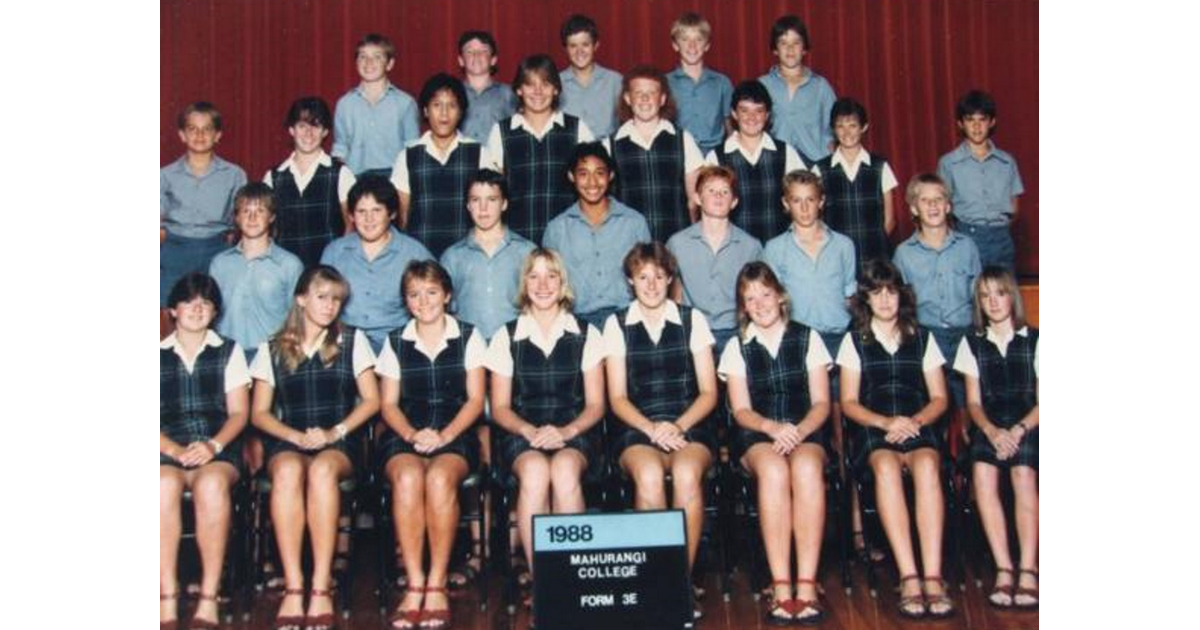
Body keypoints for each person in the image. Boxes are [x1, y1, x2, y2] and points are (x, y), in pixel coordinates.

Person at [249, 266, 381, 630]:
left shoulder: (353, 341)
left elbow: (372, 401)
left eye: (336, 299)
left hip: (338, 442)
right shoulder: (273, 346)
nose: (330, 306)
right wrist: (294, 436)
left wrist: (333, 431)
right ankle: (294, 587)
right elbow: (259, 413)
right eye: (322, 297)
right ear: (301, 299)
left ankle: (321, 586)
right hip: (290, 440)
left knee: (322, 470)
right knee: (290, 470)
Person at [603, 243, 717, 616]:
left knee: (686, 473)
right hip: (638, 426)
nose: (651, 284)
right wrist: (653, 429)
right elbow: (617, 397)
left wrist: (678, 426)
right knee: (650, 474)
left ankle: (679, 583)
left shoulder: (692, 320)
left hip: (689, 423)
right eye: (642, 277)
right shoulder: (615, 324)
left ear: (670, 279)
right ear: (630, 281)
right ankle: (654, 579)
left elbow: (708, 392)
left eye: (658, 276)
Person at [836, 259, 953, 620]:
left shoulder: (923, 337)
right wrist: (886, 423)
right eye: (876, 293)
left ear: (900, 295)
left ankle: (933, 576)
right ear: (864, 299)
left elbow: (940, 398)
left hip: (916, 424)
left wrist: (914, 421)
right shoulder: (854, 340)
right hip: (875, 427)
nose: (885, 300)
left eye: (890, 291)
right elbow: (850, 403)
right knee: (886, 466)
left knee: (928, 465)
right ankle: (909, 576)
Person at [485, 248, 607, 594]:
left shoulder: (587, 334)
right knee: (537, 472)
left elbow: (596, 404)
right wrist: (530, 431)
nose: (542, 284)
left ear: (562, 283)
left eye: (551, 275)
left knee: (564, 470)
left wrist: (566, 431)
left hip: (575, 430)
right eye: (534, 276)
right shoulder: (506, 336)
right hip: (522, 433)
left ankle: (572, 579)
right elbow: (501, 407)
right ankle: (545, 585)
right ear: (524, 283)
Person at [718, 262, 831, 625]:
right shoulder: (737, 346)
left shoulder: (807, 338)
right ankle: (781, 584)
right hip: (757, 433)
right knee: (772, 470)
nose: (760, 304)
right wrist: (771, 428)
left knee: (807, 467)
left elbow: (821, 404)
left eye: (765, 294)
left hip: (804, 428)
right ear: (743, 307)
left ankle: (807, 584)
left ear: (780, 296)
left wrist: (796, 431)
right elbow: (740, 410)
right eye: (750, 299)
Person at [376, 261, 488, 629]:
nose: (423, 301)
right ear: (406, 301)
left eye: (431, 292)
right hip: (405, 433)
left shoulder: (470, 336)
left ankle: (437, 581)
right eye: (414, 294)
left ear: (447, 295)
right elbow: (388, 404)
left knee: (440, 478)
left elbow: (474, 401)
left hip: (455, 433)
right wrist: (411, 435)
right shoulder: (394, 342)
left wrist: (445, 436)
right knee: (408, 478)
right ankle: (414, 581)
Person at [160, 272, 250, 630]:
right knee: (160, 486)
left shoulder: (230, 351)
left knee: (211, 486)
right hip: (166, 447)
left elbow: (240, 413)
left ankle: (208, 597)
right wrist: (171, 448)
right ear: (173, 310)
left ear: (215, 312)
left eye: (206, 302)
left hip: (217, 447)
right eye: (189, 301)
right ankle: (167, 594)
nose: (197, 309)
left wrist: (212, 445)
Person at [953, 267, 1038, 609]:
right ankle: (1004, 567)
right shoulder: (971, 343)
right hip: (990, 422)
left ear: (1011, 296)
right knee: (984, 476)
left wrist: (1017, 431)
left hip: (1029, 422)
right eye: (985, 296)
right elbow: (972, 402)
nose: (993, 301)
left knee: (1022, 474)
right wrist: (990, 431)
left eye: (999, 293)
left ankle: (1029, 568)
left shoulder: (1036, 339)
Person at [892, 172, 981, 409]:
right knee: (933, 404)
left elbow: (977, 295)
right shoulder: (904, 253)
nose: (932, 205)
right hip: (927, 336)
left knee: (968, 405)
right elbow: (901, 304)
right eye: (924, 200)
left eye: (938, 199)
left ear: (948, 205)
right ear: (913, 209)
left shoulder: (967, 247)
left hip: (965, 334)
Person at [485, 54, 595, 244]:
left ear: (555, 89)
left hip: (568, 239)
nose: (538, 92)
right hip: (516, 240)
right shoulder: (501, 132)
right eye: (529, 84)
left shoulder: (578, 129)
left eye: (545, 84)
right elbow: (492, 193)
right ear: (519, 89)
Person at [542, 142, 652, 329]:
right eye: (583, 174)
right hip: (576, 323)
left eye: (599, 173)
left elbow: (649, 276)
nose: (592, 182)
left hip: (627, 320)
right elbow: (549, 284)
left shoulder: (634, 222)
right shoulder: (557, 228)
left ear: (610, 176)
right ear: (572, 177)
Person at [320, 176, 434, 351]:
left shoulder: (415, 252)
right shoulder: (334, 252)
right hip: (345, 347)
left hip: (399, 346)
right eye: (361, 211)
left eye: (377, 210)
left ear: (392, 214)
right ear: (351, 215)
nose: (369, 219)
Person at [390, 73, 493, 257]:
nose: (444, 113)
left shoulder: (479, 153)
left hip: (468, 254)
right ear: (426, 111)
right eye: (437, 105)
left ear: (461, 111)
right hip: (420, 255)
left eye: (452, 105)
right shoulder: (407, 156)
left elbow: (490, 210)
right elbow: (402, 216)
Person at [666, 165, 763, 355]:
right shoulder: (676, 243)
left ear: (734, 201)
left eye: (725, 191)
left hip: (736, 334)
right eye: (711, 190)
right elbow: (672, 294)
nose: (718, 196)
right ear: (697, 198)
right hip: (692, 334)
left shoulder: (751, 246)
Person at [161, 101, 248, 308]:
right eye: (192, 129)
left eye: (207, 129)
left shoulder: (234, 174)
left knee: (215, 305)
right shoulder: (165, 175)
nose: (199, 136)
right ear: (182, 134)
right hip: (175, 249)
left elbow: (240, 219)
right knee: (168, 306)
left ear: (218, 135)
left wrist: (228, 240)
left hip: (216, 248)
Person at [604, 65, 705, 241]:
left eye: (652, 93)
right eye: (638, 93)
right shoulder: (610, 144)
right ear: (627, 98)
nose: (644, 98)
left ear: (663, 99)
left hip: (675, 238)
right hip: (629, 240)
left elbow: (694, 201)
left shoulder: (683, 140)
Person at [209, 183, 304, 363]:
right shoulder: (219, 263)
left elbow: (297, 318)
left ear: (272, 216)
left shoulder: (289, 264)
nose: (252, 217)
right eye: (245, 211)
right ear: (236, 218)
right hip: (227, 356)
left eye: (260, 211)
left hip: (273, 357)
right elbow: (212, 314)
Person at [440, 169, 537, 341]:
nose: (483, 208)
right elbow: (445, 310)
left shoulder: (526, 251)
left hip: (515, 344)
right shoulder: (452, 257)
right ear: (468, 205)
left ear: (504, 204)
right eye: (476, 200)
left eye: (492, 200)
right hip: (469, 347)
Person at [708, 80, 809, 244]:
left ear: (767, 115)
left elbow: (803, 200)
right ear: (734, 113)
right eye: (744, 110)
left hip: (777, 247)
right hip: (734, 249)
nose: (751, 118)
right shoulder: (717, 157)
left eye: (759, 111)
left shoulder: (785, 153)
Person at [262, 97, 356, 268]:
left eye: (315, 126)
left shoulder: (341, 173)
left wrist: (337, 265)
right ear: (291, 130)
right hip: (285, 271)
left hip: (328, 271)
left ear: (325, 131)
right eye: (302, 126)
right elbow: (267, 229)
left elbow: (351, 225)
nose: (308, 133)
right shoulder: (273, 177)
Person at [936, 90, 1025, 272]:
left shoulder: (1007, 162)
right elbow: (942, 206)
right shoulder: (949, 163)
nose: (976, 127)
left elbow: (1014, 206)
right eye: (970, 120)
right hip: (966, 235)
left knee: (1003, 293)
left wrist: (997, 228)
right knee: (970, 292)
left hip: (1001, 237)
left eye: (982, 120)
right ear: (960, 124)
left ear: (992, 122)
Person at [815, 97, 897, 274]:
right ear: (833, 130)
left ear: (864, 127)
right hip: (837, 260)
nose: (847, 132)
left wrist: (876, 248)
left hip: (875, 257)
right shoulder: (820, 169)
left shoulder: (880, 166)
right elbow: (817, 219)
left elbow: (889, 220)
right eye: (840, 126)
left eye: (852, 125)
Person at [332, 33, 420, 178]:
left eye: (377, 57)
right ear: (356, 63)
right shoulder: (345, 104)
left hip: (394, 178)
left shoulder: (406, 103)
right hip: (356, 177)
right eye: (362, 56)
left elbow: (412, 148)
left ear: (390, 64)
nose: (369, 62)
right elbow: (340, 148)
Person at [757, 15, 837, 164]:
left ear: (804, 48)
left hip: (814, 163)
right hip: (776, 163)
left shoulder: (820, 86)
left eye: (796, 43)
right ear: (775, 49)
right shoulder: (763, 85)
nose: (790, 49)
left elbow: (834, 129)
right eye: (783, 43)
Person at [665, 12, 734, 155]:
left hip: (714, 155)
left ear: (707, 45)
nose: (692, 46)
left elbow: (730, 125)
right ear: (675, 45)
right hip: (677, 153)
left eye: (699, 39)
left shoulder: (722, 83)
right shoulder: (665, 83)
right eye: (685, 39)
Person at [558, 13, 623, 138]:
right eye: (573, 46)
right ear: (566, 49)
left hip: (607, 154)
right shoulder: (556, 83)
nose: (579, 52)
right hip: (569, 154)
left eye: (585, 45)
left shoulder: (615, 81)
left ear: (596, 45)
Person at [457, 30, 516, 143]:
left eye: (483, 51)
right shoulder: (453, 94)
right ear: (461, 60)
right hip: (462, 158)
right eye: (469, 51)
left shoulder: (508, 94)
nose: (476, 55)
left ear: (493, 60)